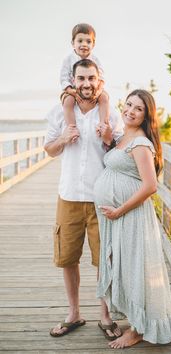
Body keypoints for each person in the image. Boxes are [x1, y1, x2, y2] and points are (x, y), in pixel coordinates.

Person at [44, 58, 123, 338]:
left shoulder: (111, 114)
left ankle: (105, 315)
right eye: (81, 78)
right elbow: (50, 150)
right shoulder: (59, 112)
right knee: (67, 258)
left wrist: (110, 137)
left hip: (102, 198)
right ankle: (74, 314)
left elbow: (121, 153)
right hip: (68, 195)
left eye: (91, 78)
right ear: (73, 81)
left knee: (104, 259)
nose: (87, 84)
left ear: (99, 80)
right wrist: (64, 139)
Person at [94, 89, 171, 349]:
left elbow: (150, 186)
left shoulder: (141, 143)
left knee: (134, 269)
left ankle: (139, 329)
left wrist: (119, 211)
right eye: (128, 104)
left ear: (146, 115)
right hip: (117, 218)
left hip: (130, 217)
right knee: (125, 267)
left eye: (138, 108)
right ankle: (136, 322)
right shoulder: (123, 138)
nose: (130, 110)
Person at [60, 23, 109, 138]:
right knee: (68, 102)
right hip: (72, 90)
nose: (84, 44)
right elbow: (63, 77)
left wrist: (98, 90)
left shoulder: (95, 59)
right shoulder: (68, 59)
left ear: (93, 44)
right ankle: (71, 128)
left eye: (88, 41)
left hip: (93, 89)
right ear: (73, 43)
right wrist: (70, 90)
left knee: (104, 98)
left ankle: (103, 124)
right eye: (80, 41)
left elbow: (101, 77)